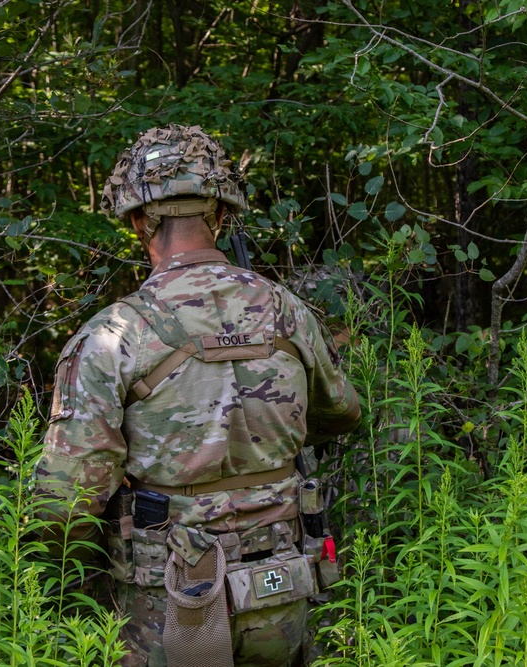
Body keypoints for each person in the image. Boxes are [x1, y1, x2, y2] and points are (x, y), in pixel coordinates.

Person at [35, 124, 360, 667]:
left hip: (174, 602)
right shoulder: (287, 311)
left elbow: (65, 501)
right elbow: (341, 413)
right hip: (283, 582)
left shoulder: (114, 334)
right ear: (221, 215)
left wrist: (52, 579)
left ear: (139, 222)